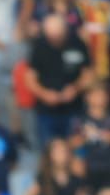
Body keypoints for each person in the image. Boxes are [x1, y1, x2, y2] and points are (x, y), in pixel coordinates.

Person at [25, 12, 91, 148]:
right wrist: (44, 94)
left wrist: (75, 88)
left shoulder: (77, 43)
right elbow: (29, 78)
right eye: (50, 36)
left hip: (74, 108)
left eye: (58, 35)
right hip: (46, 110)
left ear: (65, 30)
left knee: (75, 148)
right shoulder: (39, 46)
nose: (54, 39)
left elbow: (88, 73)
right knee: (48, 150)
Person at [70, 84, 110, 193]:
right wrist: (85, 137)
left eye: (103, 94)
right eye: (96, 94)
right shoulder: (80, 119)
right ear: (87, 97)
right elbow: (71, 144)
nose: (100, 97)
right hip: (88, 168)